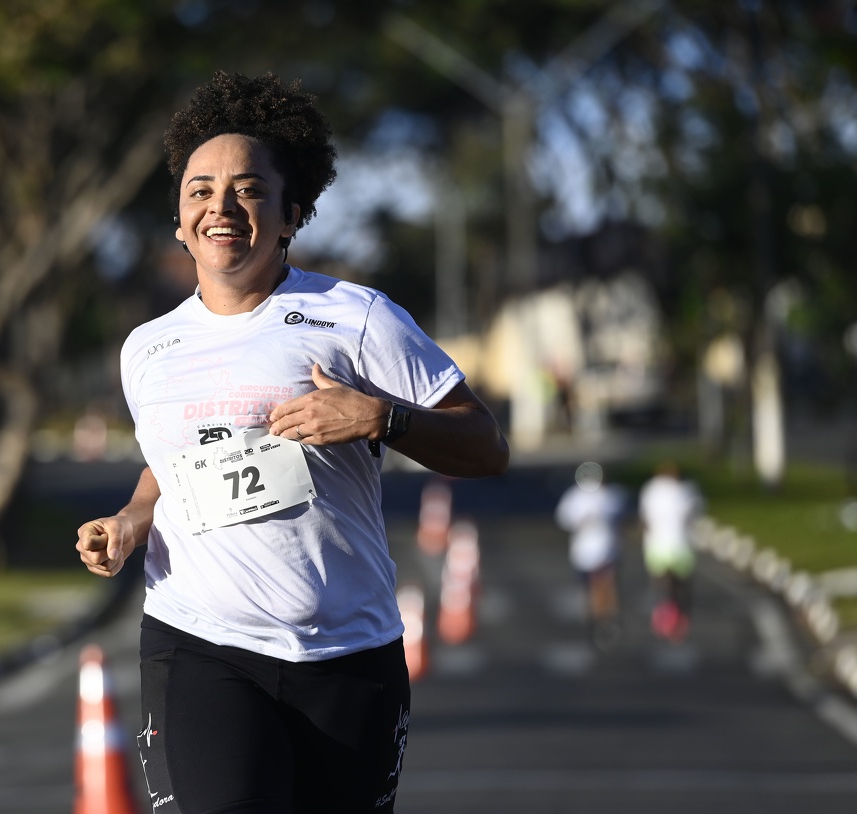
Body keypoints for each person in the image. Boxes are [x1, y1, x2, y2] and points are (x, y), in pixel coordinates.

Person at [74, 70, 509, 814]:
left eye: (248, 190)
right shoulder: (147, 349)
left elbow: (485, 445)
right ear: (179, 222)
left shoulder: (356, 318)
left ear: (291, 213)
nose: (221, 207)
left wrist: (381, 420)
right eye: (200, 191)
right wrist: (130, 520)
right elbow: (171, 464)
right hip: (199, 641)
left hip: (349, 655)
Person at [555, 461, 628, 650]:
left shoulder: (604, 496)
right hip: (588, 553)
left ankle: (604, 623)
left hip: (602, 551)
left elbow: (565, 521)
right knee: (595, 591)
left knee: (600, 590)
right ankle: (601, 623)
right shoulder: (594, 496)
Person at [638, 461, 704, 642]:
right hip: (681, 547)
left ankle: (663, 621)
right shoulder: (688, 491)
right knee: (681, 588)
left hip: (656, 548)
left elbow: (645, 520)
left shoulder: (650, 490)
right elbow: (695, 515)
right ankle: (680, 624)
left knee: (661, 589)